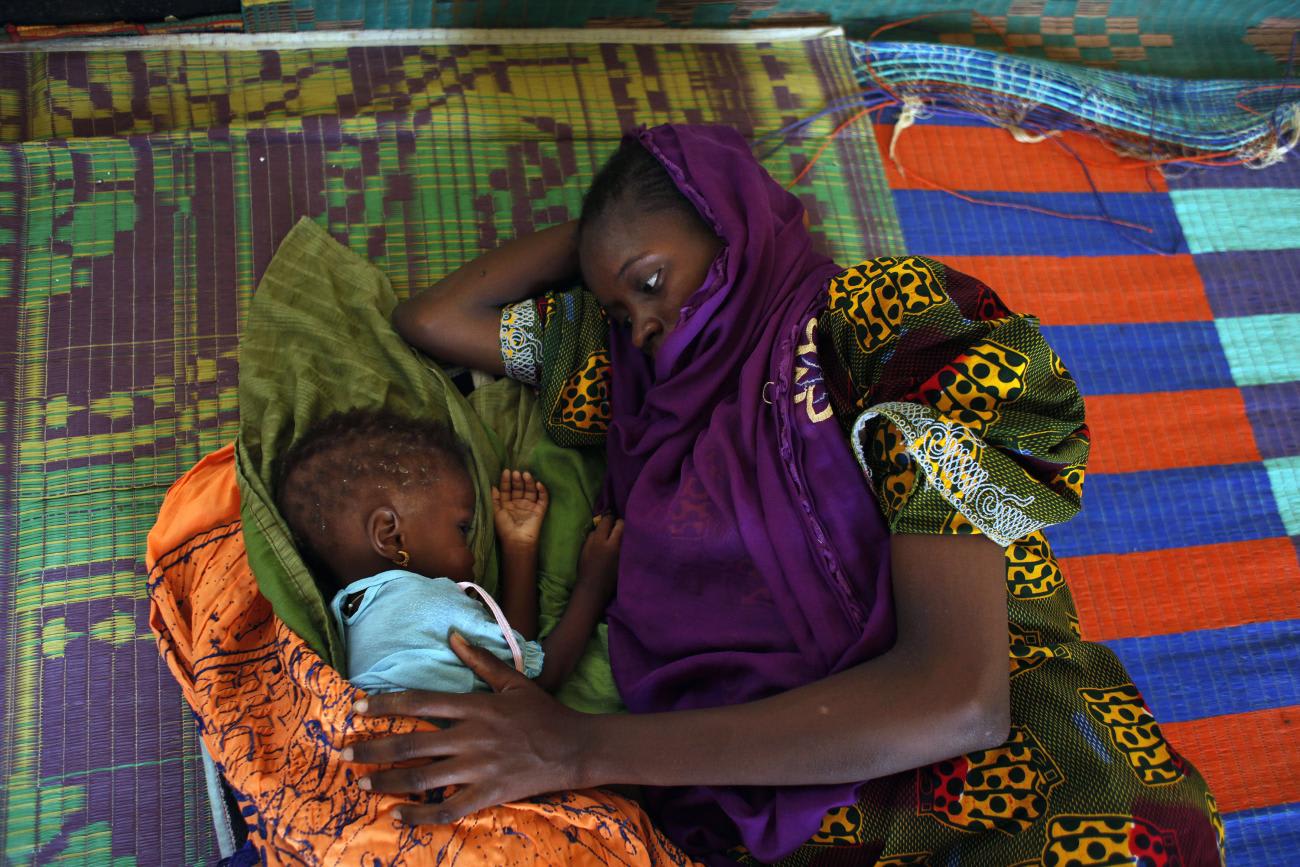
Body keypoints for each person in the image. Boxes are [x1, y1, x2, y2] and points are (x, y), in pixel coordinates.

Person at [349, 125, 1223, 866]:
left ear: (730, 220)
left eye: (653, 282)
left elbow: (960, 697)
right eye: (621, 313)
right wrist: (602, 253)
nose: (645, 326)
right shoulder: (632, 389)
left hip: (1028, 796)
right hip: (769, 831)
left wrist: (574, 747)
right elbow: (433, 319)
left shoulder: (882, 322)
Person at [275, 408, 623, 695]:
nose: (472, 552)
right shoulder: (421, 603)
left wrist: (519, 548)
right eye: (462, 529)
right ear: (392, 538)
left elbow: (513, 652)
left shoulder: (357, 616)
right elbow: (532, 687)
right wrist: (592, 586)